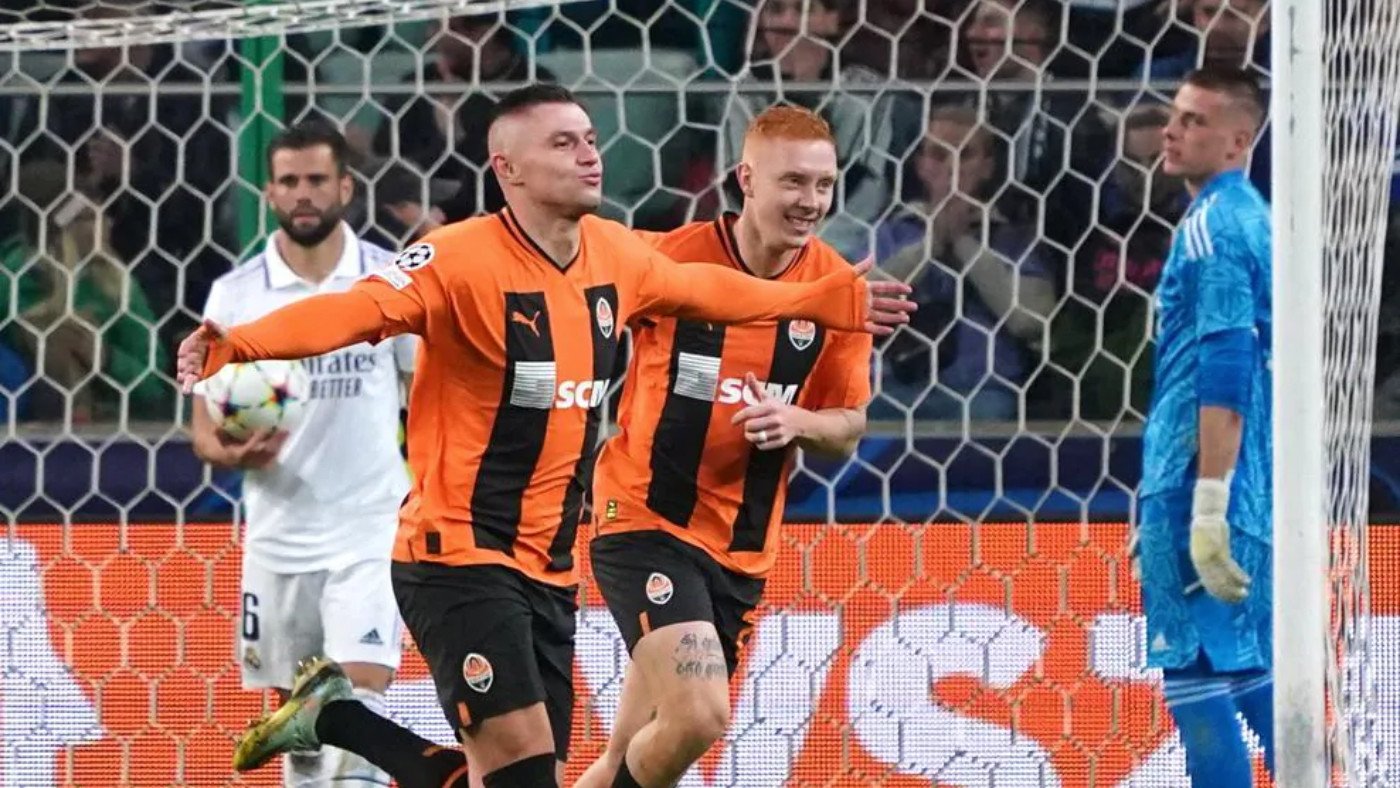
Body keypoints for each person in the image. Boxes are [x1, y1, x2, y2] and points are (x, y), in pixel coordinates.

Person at [175, 85, 914, 788]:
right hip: (457, 552)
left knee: (519, 779)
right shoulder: (458, 258)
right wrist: (240, 345)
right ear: (510, 169)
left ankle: (336, 718)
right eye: (564, 144)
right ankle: (338, 718)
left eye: (590, 139)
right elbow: (352, 312)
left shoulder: (613, 254)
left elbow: (710, 290)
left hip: (550, 565)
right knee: (532, 773)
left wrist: (814, 299)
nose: (590, 154)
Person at [573, 105, 873, 788]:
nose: (811, 201)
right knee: (700, 714)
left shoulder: (837, 292)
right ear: (746, 178)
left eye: (824, 185)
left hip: (739, 550)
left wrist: (799, 421)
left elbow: (849, 423)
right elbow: (577, 291)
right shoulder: (669, 260)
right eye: (793, 181)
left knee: (629, 755)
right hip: (644, 520)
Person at [190, 122, 415, 788]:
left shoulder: (387, 280)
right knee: (300, 726)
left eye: (317, 179)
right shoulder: (236, 295)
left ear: (345, 186)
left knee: (360, 688)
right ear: (269, 193)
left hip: (370, 527)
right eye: (288, 181)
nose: (303, 194)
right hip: (279, 537)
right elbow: (202, 431)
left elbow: (422, 394)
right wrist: (232, 453)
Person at [1132, 67, 1274, 787]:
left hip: (1204, 481)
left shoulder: (1216, 225)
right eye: (1175, 115)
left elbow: (1226, 366)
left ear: (1238, 141)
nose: (1172, 130)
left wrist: (1208, 502)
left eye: (1195, 120)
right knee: (1225, 669)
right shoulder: (1237, 216)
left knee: (1212, 676)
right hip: (1220, 478)